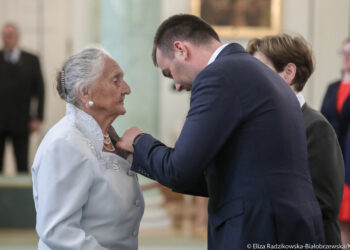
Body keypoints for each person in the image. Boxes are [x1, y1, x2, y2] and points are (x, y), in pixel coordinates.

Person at [117, 14, 325, 249]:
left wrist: (139, 141)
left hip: (257, 229)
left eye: (169, 72)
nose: (176, 85)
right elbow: (222, 176)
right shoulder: (259, 72)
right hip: (293, 224)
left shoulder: (217, 75)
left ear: (181, 49)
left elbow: (179, 169)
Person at [31, 47, 144, 249]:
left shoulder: (108, 136)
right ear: (84, 92)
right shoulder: (65, 144)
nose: (127, 89)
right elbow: (57, 231)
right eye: (116, 81)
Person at [247, 33, 345, 247]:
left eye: (258, 70)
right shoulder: (257, 126)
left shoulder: (315, 127)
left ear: (288, 73)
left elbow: (324, 205)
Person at [0, 23, 45, 173]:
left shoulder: (31, 60)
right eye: (4, 36)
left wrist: (37, 117)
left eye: (10, 35)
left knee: (22, 163)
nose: (6, 39)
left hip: (21, 121)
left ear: (17, 37)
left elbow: (40, 91)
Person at [321, 38, 350, 245]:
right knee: (338, 222)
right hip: (334, 159)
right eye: (344, 52)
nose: (346, 57)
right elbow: (323, 120)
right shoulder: (333, 87)